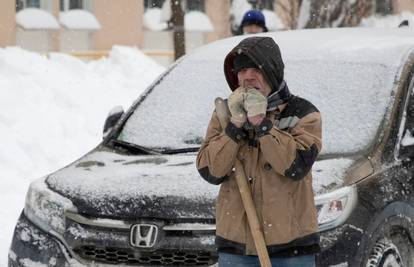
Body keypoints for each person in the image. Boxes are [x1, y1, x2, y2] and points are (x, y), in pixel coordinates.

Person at [196, 36, 322, 267]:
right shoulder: (224, 114)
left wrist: (262, 124)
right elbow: (210, 170)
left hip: (292, 249)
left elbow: (295, 167)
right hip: (237, 248)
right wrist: (234, 127)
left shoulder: (303, 113)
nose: (248, 77)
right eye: (242, 71)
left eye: (256, 69)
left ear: (272, 72)